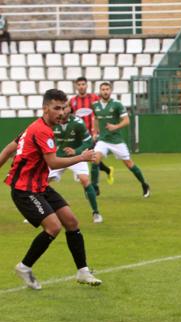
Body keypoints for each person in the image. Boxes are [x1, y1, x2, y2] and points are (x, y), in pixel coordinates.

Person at [0, 89, 102, 290]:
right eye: (57, 108)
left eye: (64, 108)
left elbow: (9, 148)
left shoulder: (36, 127)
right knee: (53, 227)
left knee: (71, 222)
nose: (62, 112)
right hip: (24, 189)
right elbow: (53, 163)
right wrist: (82, 157)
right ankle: (24, 266)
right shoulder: (41, 130)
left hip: (40, 186)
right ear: (45, 108)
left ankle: (83, 271)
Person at [92, 82, 150, 197]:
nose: (105, 91)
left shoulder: (117, 104)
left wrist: (115, 127)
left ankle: (144, 184)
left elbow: (126, 120)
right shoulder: (95, 105)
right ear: (100, 91)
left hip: (116, 141)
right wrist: (95, 132)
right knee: (95, 159)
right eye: (103, 89)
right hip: (103, 140)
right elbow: (96, 119)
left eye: (107, 89)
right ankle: (95, 187)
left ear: (111, 90)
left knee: (129, 164)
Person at [48, 104, 103, 223]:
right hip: (58, 157)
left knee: (85, 180)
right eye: (60, 107)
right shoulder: (52, 123)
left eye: (65, 107)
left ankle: (96, 212)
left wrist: (76, 151)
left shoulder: (78, 123)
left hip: (78, 157)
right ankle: (40, 212)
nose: (62, 110)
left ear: (70, 109)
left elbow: (88, 142)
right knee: (42, 183)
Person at [70, 77, 114, 191]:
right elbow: (70, 117)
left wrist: (96, 132)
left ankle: (95, 186)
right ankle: (107, 170)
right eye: (79, 84)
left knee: (94, 159)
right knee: (88, 158)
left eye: (83, 84)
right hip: (78, 136)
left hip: (91, 134)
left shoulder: (94, 98)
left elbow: (98, 115)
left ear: (86, 85)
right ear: (76, 86)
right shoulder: (73, 101)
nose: (81, 86)